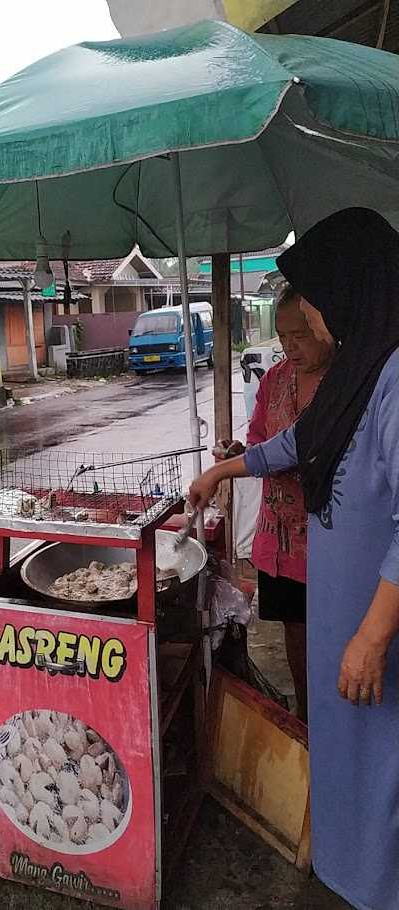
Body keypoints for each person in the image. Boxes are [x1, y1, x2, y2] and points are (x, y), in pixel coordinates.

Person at [190, 208, 399, 910]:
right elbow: (292, 444)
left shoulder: (396, 374)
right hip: (341, 622)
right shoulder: (359, 372)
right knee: (345, 761)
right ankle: (350, 876)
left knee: (383, 772)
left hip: (375, 629)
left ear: (353, 284)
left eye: (312, 295)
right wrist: (223, 472)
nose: (307, 313)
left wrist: (372, 637)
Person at [218, 286, 334, 722]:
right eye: (282, 336)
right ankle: (307, 719)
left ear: (324, 325)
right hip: (280, 540)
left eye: (300, 335)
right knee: (296, 631)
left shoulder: (346, 382)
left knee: (337, 632)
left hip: (328, 535)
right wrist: (235, 456)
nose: (290, 347)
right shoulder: (275, 380)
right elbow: (259, 443)